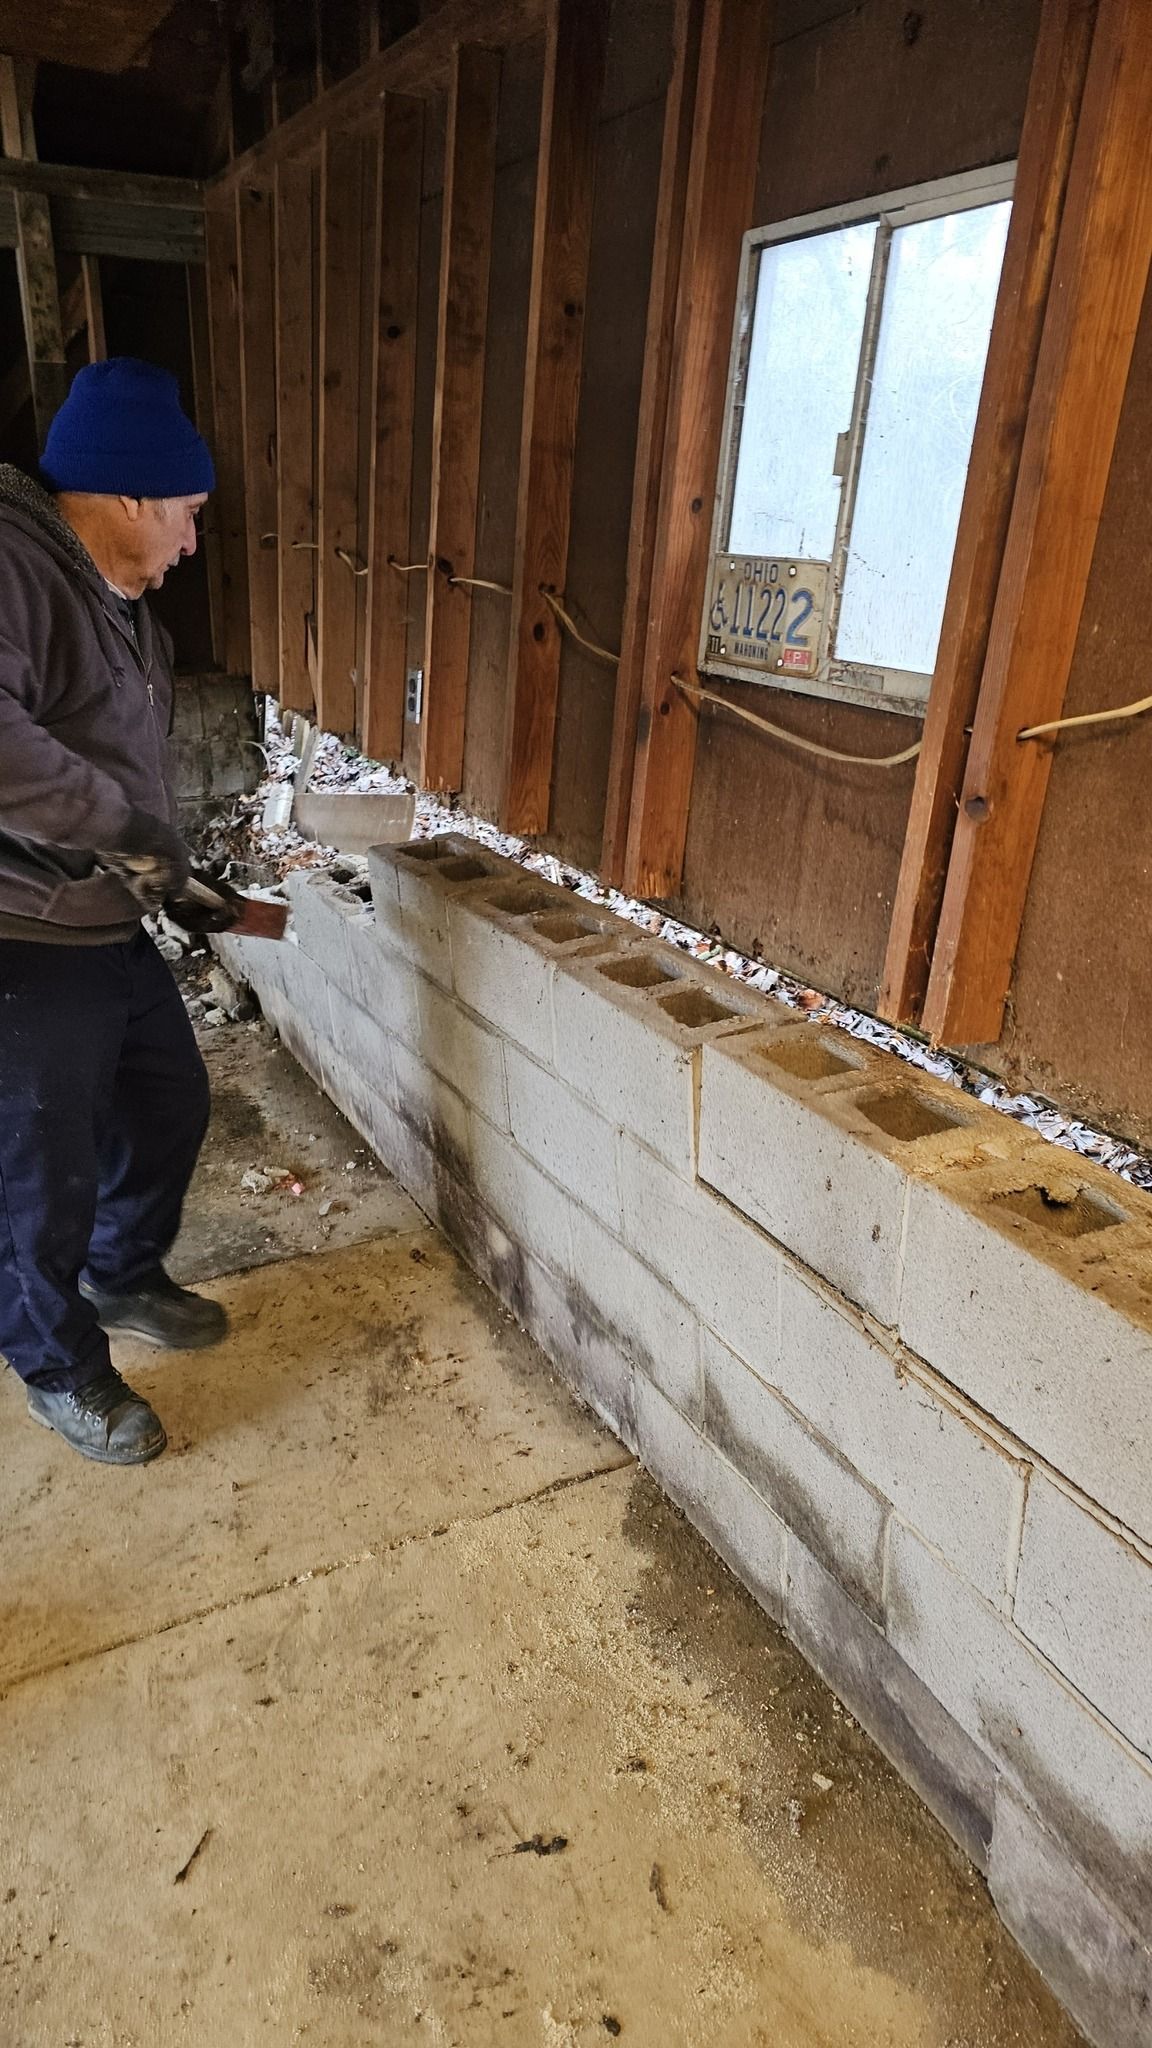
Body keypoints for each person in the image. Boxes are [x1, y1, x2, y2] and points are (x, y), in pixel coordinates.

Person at [0, 356, 243, 1468]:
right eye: (187, 516)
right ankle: (62, 1367)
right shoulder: (14, 565)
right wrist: (126, 830)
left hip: (101, 915)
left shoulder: (127, 602)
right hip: (20, 928)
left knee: (168, 1098)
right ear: (132, 496)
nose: (192, 542)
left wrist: (174, 879)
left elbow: (124, 773)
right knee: (35, 1172)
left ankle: (124, 1265)